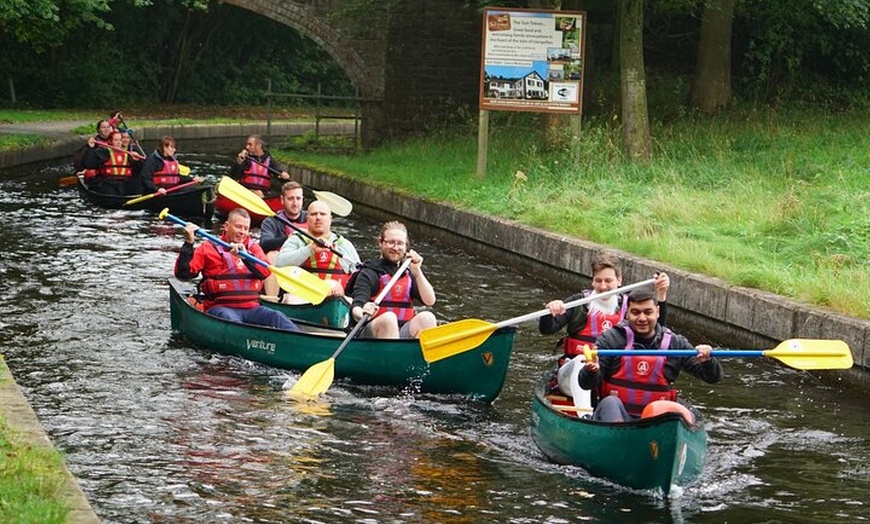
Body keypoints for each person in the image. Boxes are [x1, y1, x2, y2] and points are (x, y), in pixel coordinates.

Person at [578, 288, 723, 422]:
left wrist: (708, 361)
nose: (642, 318)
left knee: (677, 412)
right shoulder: (611, 339)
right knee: (610, 402)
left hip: (655, 422)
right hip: (617, 418)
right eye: (635, 312)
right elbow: (585, 384)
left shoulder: (675, 343)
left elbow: (713, 378)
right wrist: (591, 371)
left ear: (658, 312)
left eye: (648, 312)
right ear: (627, 313)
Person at [173, 207, 300, 331]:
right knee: (231, 321)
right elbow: (183, 275)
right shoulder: (208, 248)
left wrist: (246, 257)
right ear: (227, 226)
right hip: (220, 307)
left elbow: (265, 272)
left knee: (277, 316)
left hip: (252, 308)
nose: (242, 232)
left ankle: (298, 340)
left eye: (246, 228)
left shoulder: (253, 249)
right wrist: (189, 243)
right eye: (238, 227)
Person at [540, 254, 670, 368]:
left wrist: (661, 294)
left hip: (612, 370)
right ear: (592, 281)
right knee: (581, 363)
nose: (603, 286)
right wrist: (549, 311)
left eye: (608, 281)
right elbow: (547, 329)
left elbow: (658, 329)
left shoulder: (631, 306)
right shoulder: (579, 303)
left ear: (619, 281)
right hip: (577, 368)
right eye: (598, 281)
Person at [349, 221, 436, 339]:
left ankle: (419, 356)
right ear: (380, 242)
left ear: (406, 246)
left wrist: (418, 272)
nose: (395, 248)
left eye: (400, 243)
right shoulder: (369, 272)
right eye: (390, 242)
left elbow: (430, 301)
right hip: (372, 334)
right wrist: (363, 313)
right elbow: (356, 308)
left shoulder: (408, 272)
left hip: (401, 334)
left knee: (427, 317)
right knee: (389, 319)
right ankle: (390, 356)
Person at [275, 200, 361, 298]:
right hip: (301, 297)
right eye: (314, 214)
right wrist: (310, 249)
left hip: (337, 298)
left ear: (330, 219)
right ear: (307, 219)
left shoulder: (344, 244)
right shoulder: (297, 240)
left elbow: (359, 275)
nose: (318, 217)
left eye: (323, 214)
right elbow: (279, 263)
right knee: (290, 299)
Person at [80, 129, 142, 195]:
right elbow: (88, 165)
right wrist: (91, 148)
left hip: (125, 183)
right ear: (110, 141)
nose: (119, 142)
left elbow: (139, 171)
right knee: (109, 191)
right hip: (107, 182)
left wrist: (138, 161)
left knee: (137, 186)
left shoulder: (130, 154)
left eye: (120, 140)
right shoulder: (103, 152)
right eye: (116, 140)